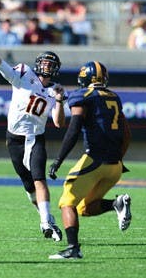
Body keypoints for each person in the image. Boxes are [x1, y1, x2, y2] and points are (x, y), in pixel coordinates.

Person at [0, 28, 65, 241]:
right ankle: (47, 218)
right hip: (13, 139)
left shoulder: (56, 91)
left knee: (39, 179)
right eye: (45, 63)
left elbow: (59, 123)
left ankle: (44, 223)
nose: (47, 67)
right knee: (29, 188)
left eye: (51, 65)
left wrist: (60, 100)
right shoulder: (24, 75)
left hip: (35, 138)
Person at [47, 61, 133, 260]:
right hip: (115, 166)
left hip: (95, 159)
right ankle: (116, 204)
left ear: (84, 78)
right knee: (85, 208)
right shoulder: (114, 96)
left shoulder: (82, 96)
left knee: (66, 202)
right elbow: (126, 132)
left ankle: (73, 249)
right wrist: (119, 158)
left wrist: (58, 160)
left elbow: (73, 129)